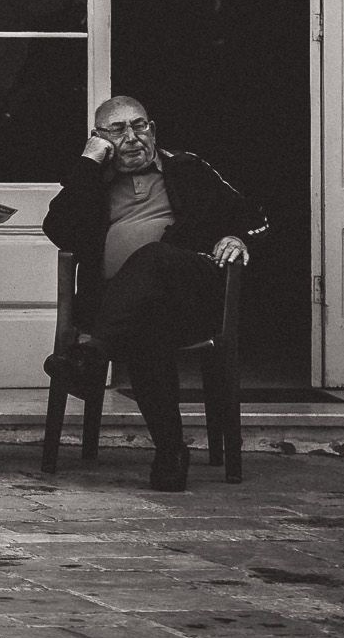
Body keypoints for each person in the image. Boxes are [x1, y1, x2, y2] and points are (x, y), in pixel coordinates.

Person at [42, 95, 267, 492]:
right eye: (117, 130)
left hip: (190, 294)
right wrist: (88, 162)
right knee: (148, 330)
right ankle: (170, 453)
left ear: (153, 129)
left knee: (155, 256)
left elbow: (256, 217)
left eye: (139, 126)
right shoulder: (93, 180)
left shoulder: (187, 168)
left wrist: (237, 236)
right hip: (129, 311)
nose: (132, 137)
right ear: (100, 139)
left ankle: (94, 354)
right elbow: (58, 229)